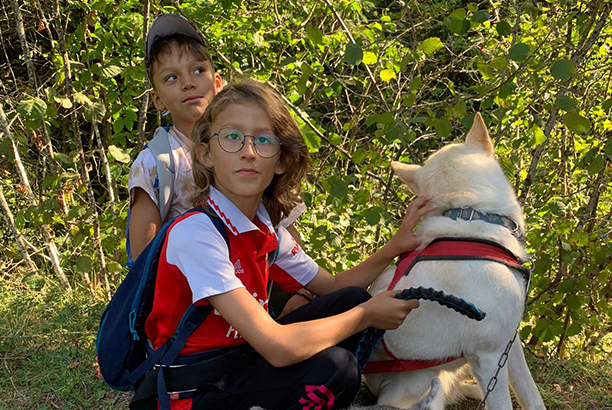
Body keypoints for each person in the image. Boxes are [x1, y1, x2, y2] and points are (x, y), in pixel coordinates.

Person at [141, 80, 435, 409]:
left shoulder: (264, 229)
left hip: (236, 361)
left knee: (348, 299)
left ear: (280, 160)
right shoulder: (197, 233)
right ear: (206, 153)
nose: (249, 151)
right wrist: (368, 315)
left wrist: (394, 246)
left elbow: (334, 286)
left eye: (264, 140)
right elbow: (277, 348)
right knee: (337, 368)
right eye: (232, 137)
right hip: (191, 390)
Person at [127, 13, 310, 313]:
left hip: (258, 285)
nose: (188, 83)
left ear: (217, 82)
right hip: (195, 304)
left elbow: (278, 221)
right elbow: (144, 259)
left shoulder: (248, 146)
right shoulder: (157, 162)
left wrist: (302, 291)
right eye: (171, 78)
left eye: (197, 70)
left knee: (337, 307)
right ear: (157, 99)